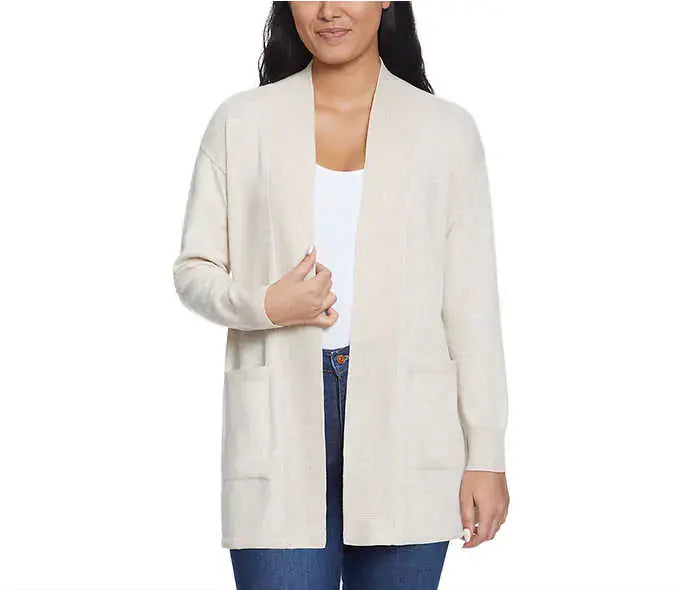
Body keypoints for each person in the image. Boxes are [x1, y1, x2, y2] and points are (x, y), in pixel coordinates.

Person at [173, 2, 509, 588]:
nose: (329, 10)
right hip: (280, 423)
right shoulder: (242, 123)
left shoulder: (446, 132)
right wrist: (265, 305)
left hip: (407, 424)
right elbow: (193, 270)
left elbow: (472, 308)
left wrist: (486, 453)